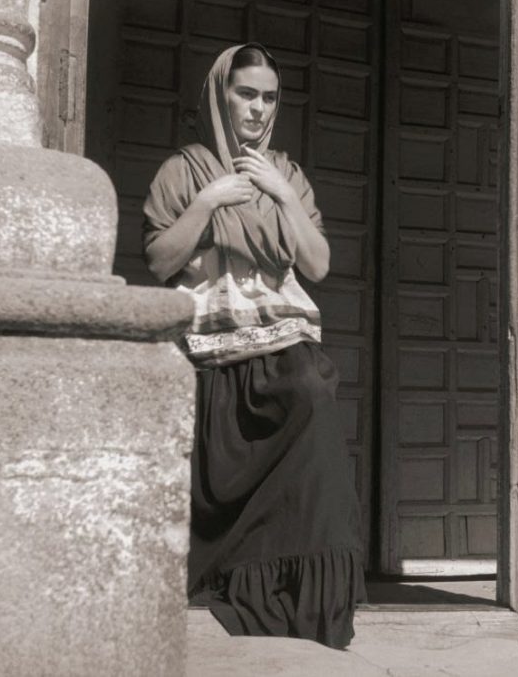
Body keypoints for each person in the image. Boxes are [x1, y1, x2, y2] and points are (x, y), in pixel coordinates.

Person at [142, 43, 366, 649]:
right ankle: (236, 578)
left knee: (315, 424)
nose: (259, 109)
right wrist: (211, 200)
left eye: (269, 97)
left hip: (287, 351)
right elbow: (161, 260)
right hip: (213, 355)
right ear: (221, 94)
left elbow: (317, 264)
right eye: (247, 94)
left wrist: (284, 195)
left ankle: (309, 602)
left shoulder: (286, 174)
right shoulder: (183, 171)